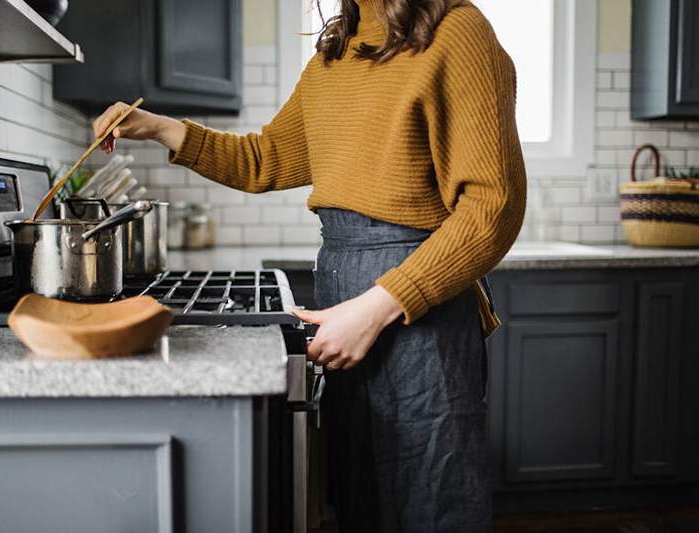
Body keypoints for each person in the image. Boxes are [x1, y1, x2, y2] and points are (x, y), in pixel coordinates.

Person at [93, 0, 526, 529]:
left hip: (417, 305)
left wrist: (373, 309)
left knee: (430, 502)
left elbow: (492, 208)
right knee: (360, 496)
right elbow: (264, 160)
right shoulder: (335, 53)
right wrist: (159, 127)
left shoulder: (459, 33)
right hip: (340, 281)